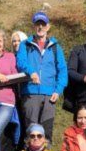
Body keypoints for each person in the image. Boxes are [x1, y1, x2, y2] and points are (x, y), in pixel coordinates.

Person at [16, 11, 67, 141]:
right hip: (30, 93)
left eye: (43, 25)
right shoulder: (25, 45)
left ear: (48, 27)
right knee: (30, 131)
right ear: (34, 26)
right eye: (38, 24)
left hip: (50, 95)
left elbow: (62, 70)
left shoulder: (55, 48)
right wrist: (31, 71)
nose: (40, 27)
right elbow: (21, 62)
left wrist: (58, 90)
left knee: (46, 131)